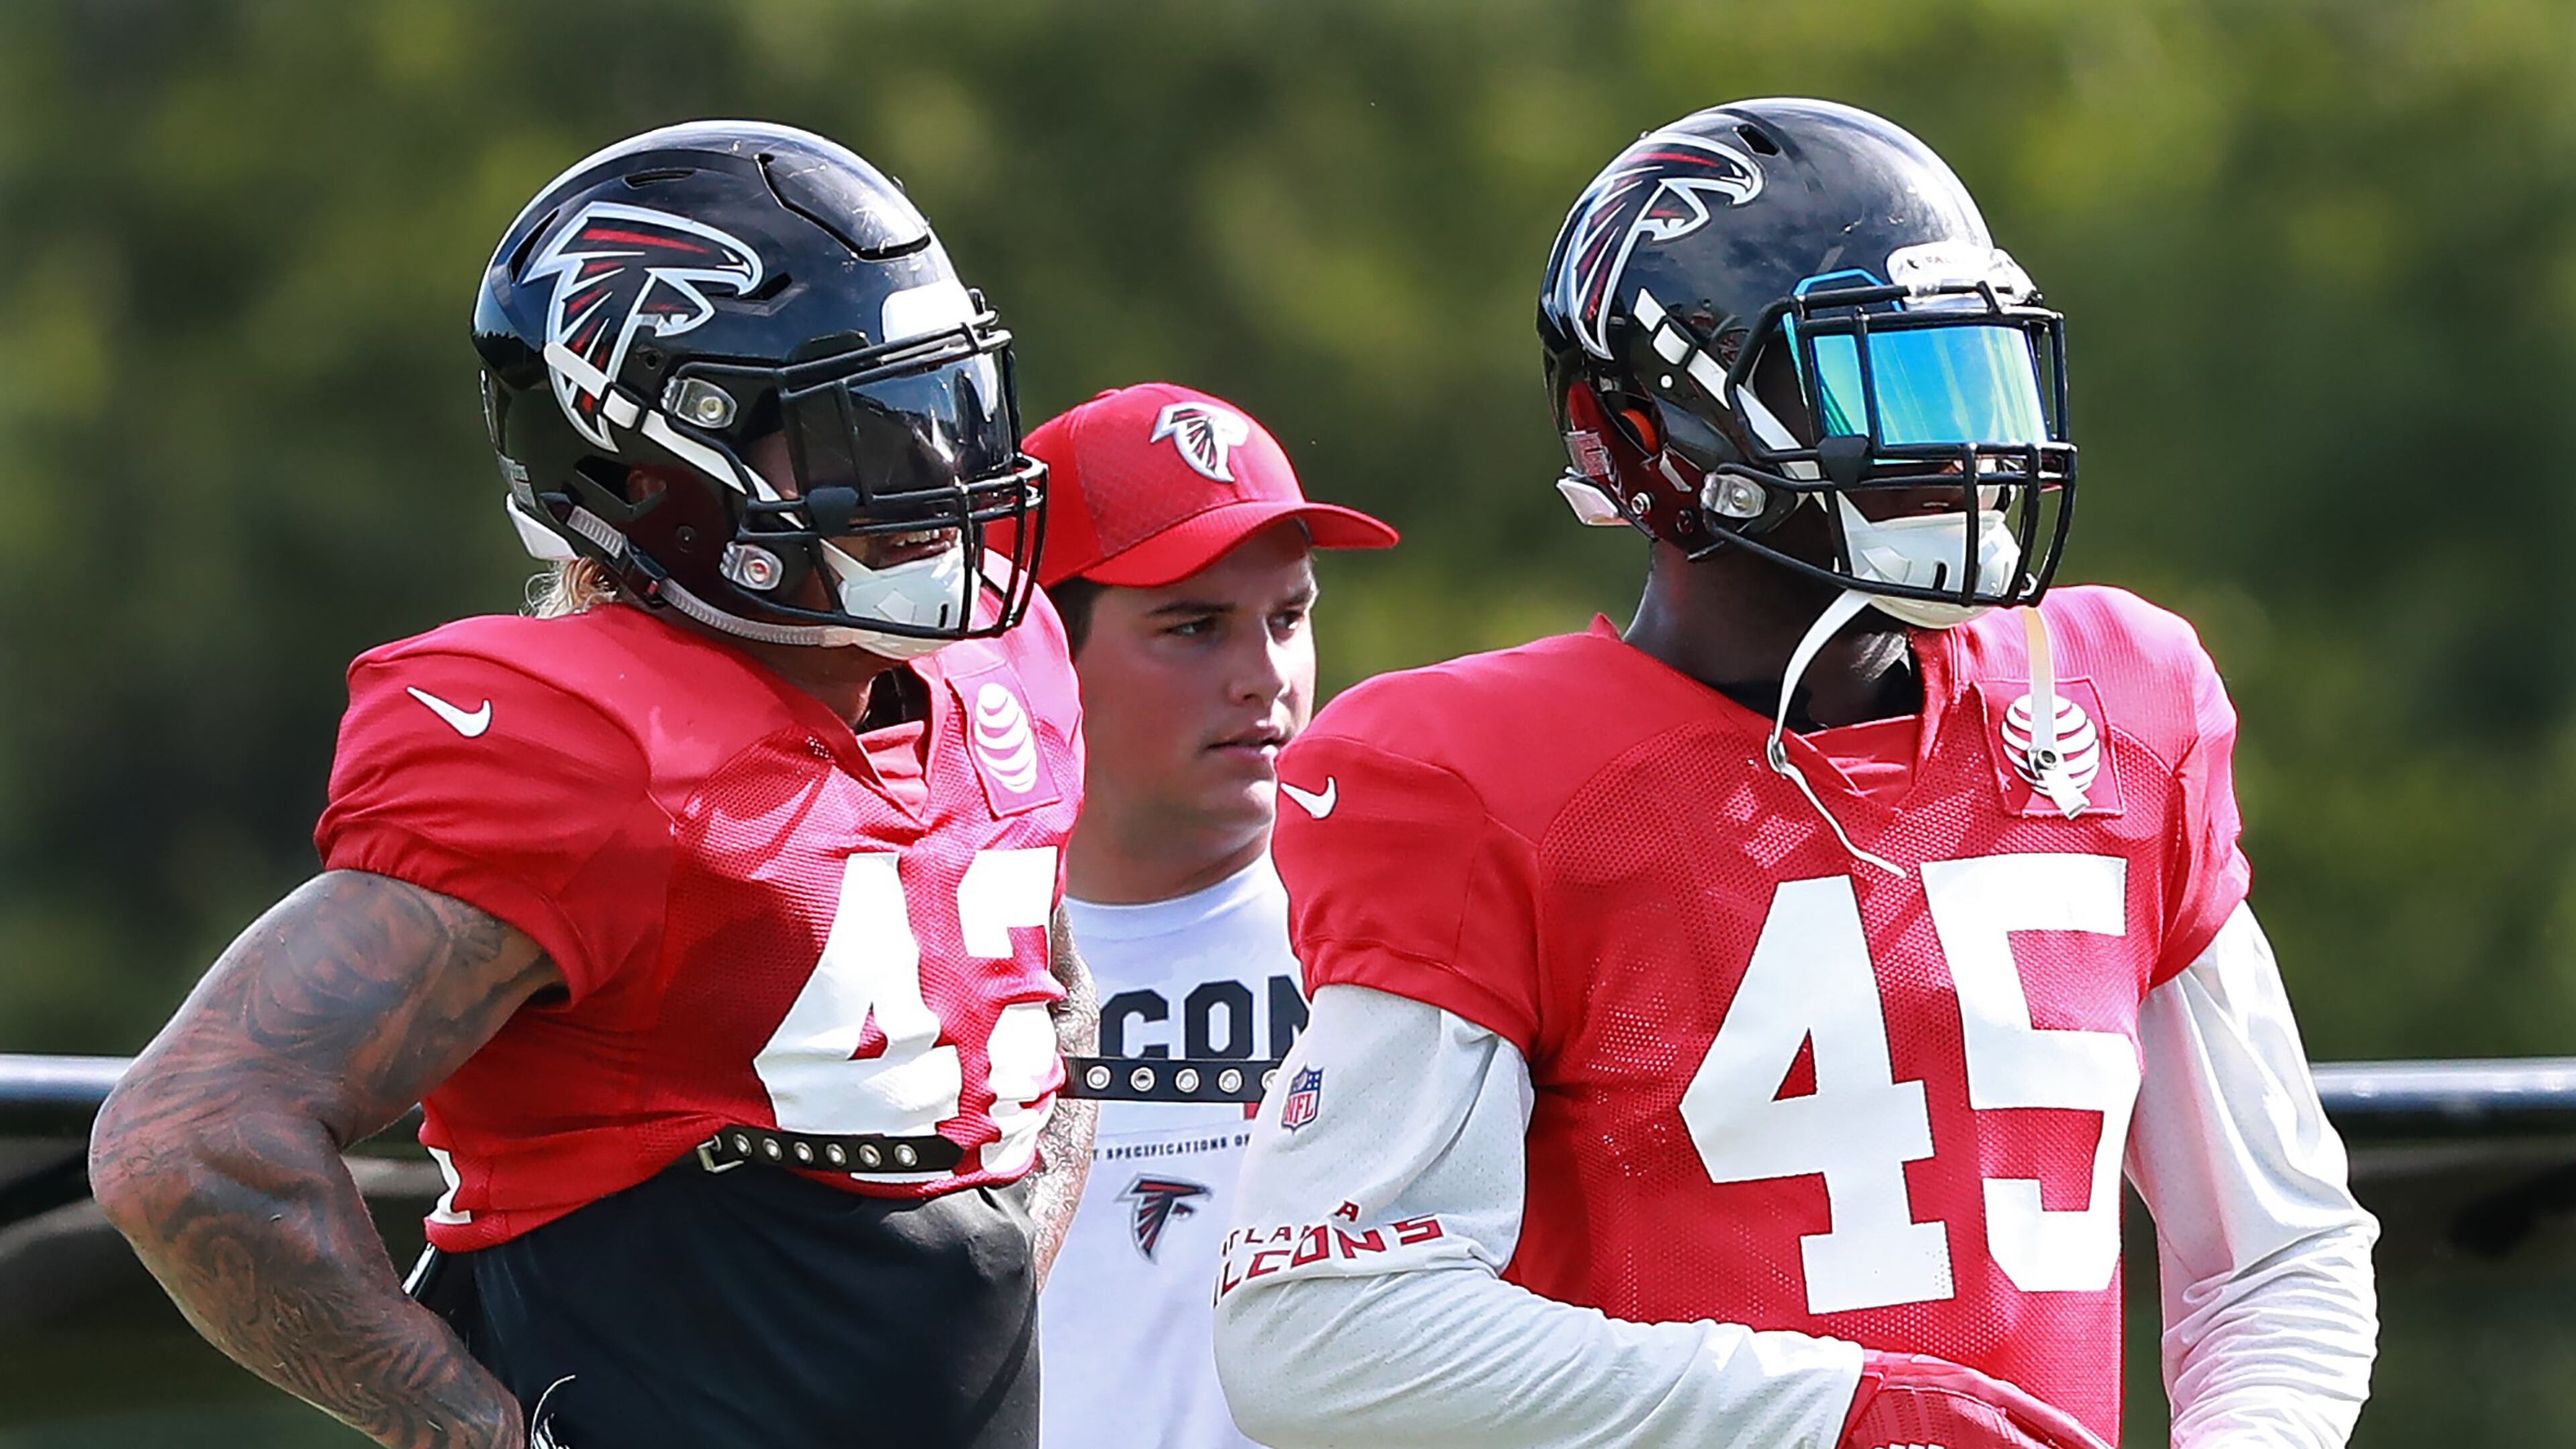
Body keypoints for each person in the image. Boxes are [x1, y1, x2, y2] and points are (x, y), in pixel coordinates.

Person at [1212, 98, 2378, 1449]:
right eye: (1886, 392)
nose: (1957, 453)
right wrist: (1835, 1414)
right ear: (1663, 441)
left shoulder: (2117, 704)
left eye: (1969, 381)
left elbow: (2278, 1253)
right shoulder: (1484, 781)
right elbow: (1318, 1331)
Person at [87, 121, 1097, 1449]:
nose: (941, 476)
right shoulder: (593, 755)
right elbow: (191, 1144)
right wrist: (479, 1434)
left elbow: (1051, 1023)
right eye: (865, 430)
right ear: (649, 475)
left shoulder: (1001, 680)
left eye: (942, 407)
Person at [1010, 384, 1395, 1449]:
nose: (1265, 676)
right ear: (1041, 649)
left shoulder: (1404, 937)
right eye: (1194, 628)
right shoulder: (927, 952)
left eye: (1289, 617)